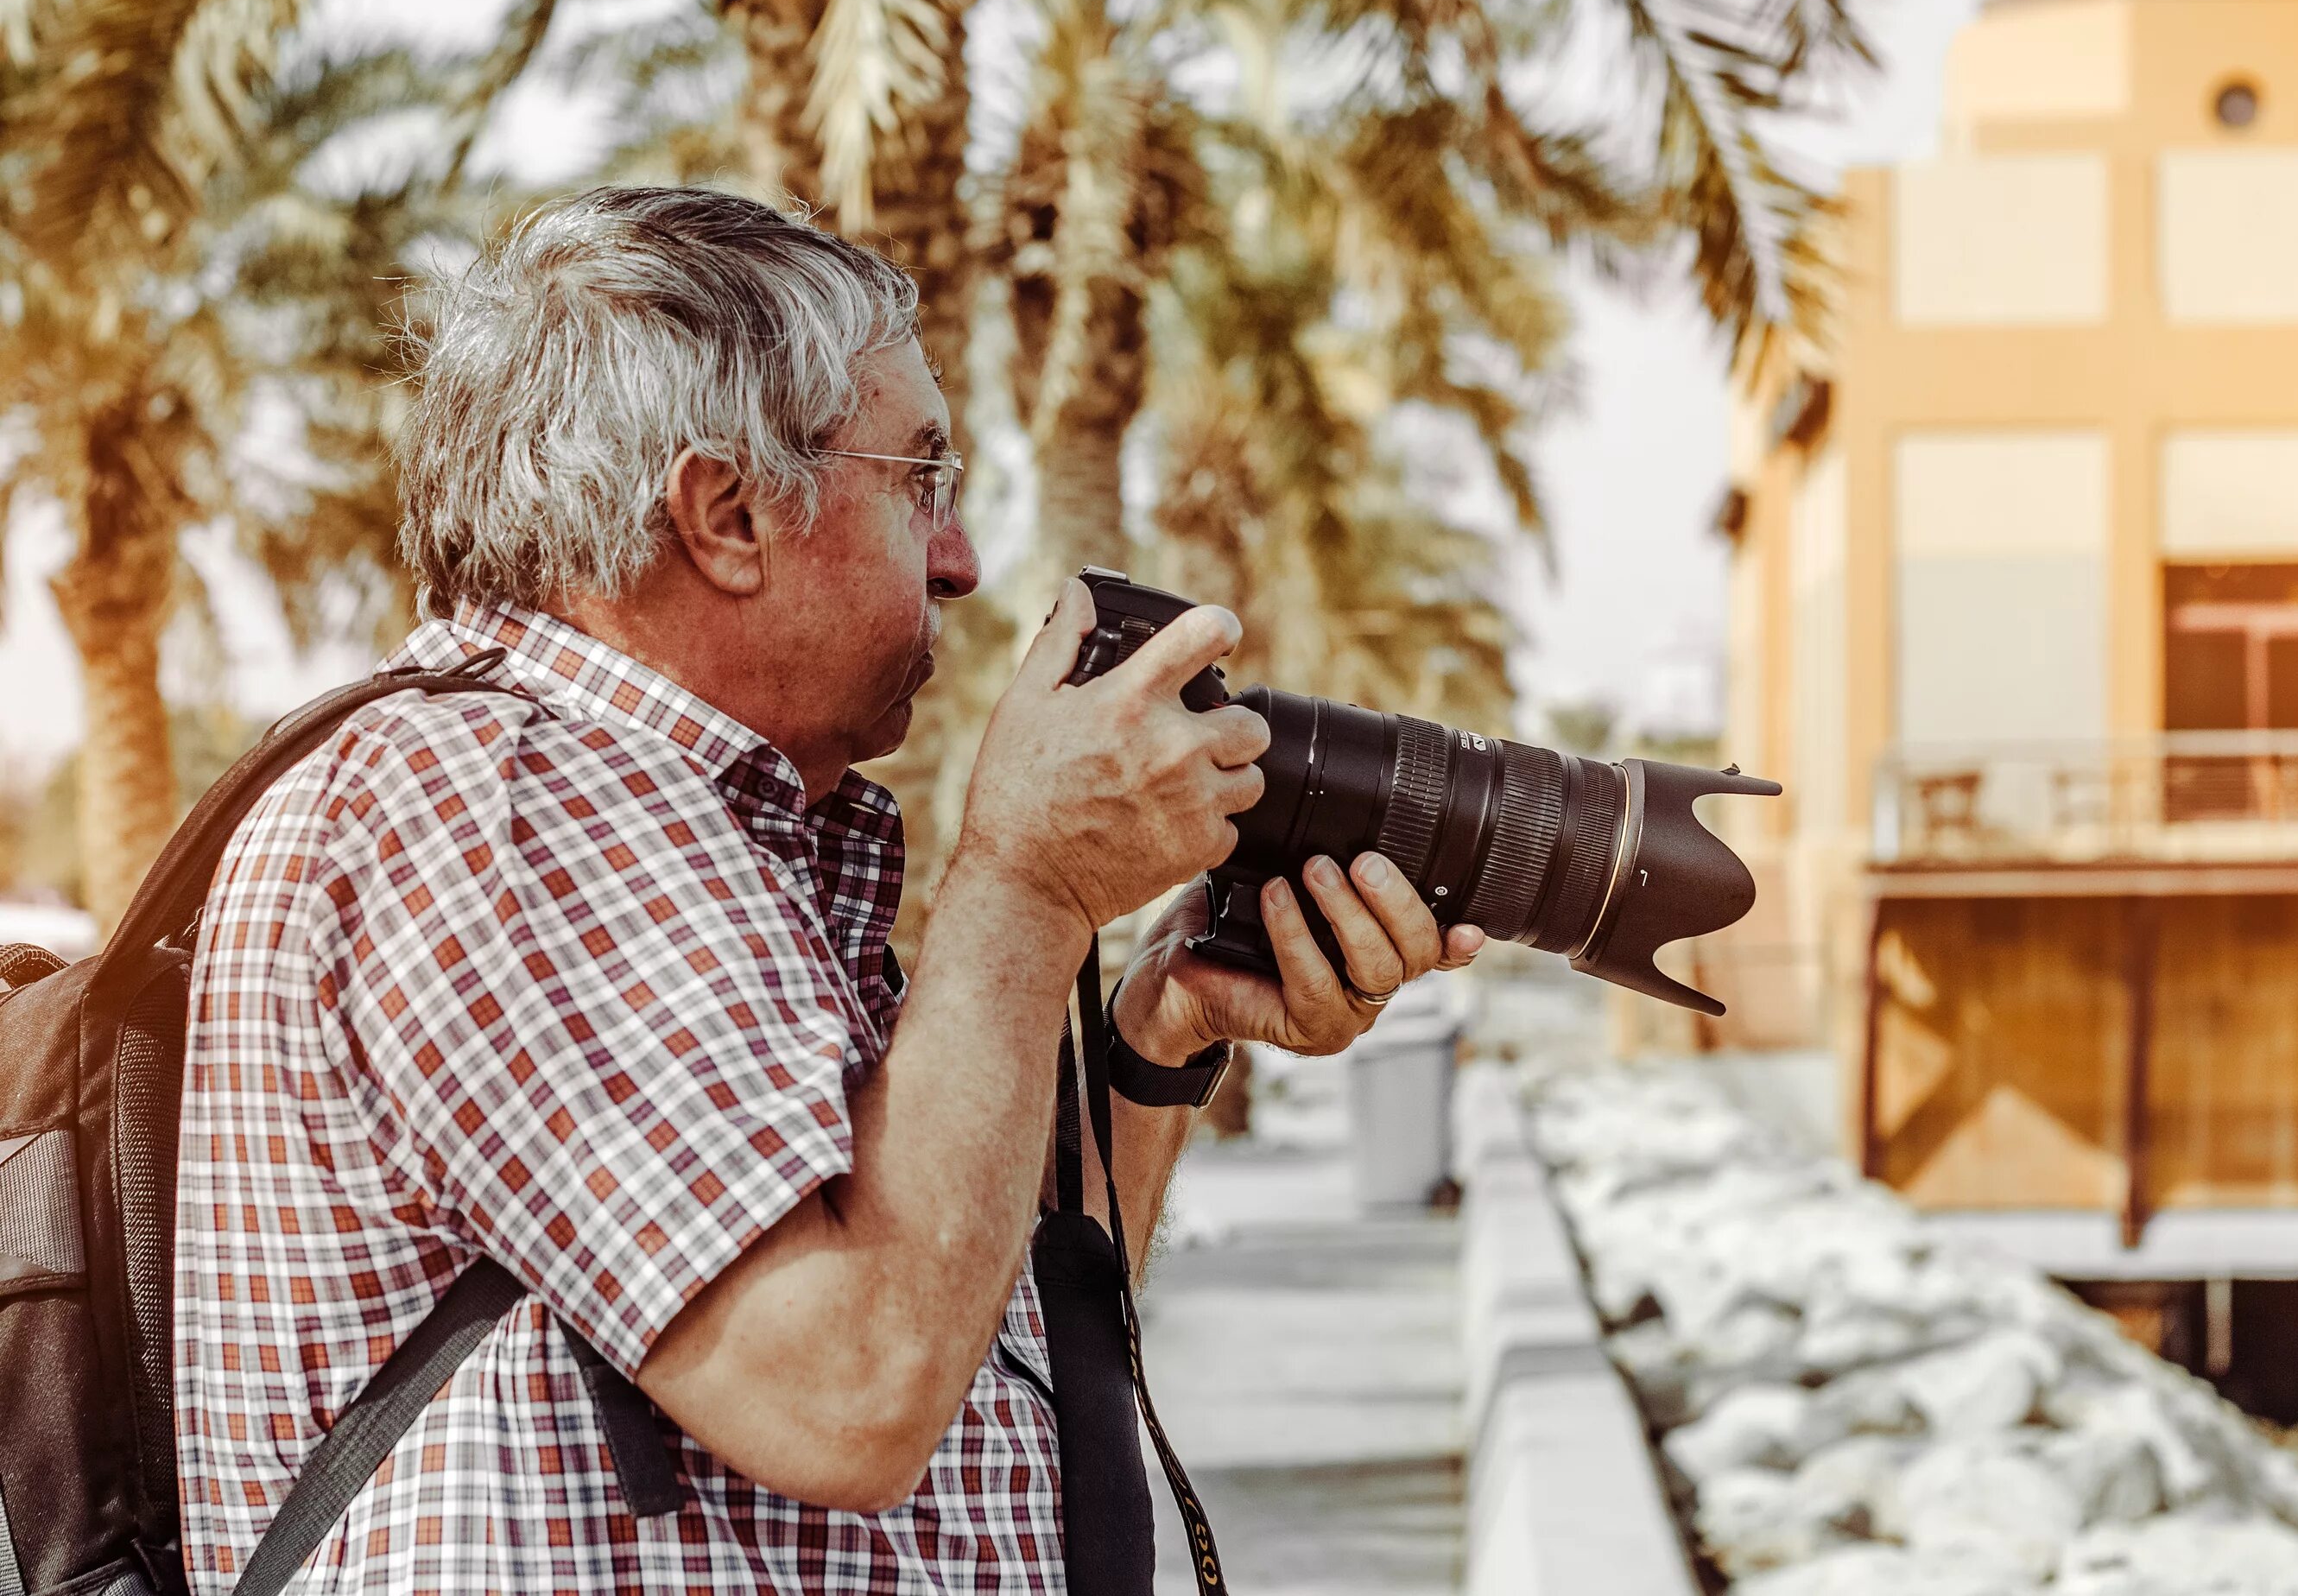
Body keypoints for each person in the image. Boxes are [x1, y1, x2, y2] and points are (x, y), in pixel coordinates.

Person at [173, 184, 1481, 1593]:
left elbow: (975, 1328)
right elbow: (848, 1390)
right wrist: (1028, 882)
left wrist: (1155, 1039)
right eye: (919, 479)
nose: (963, 562)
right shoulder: (495, 799)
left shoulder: (692, 825)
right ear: (727, 512)